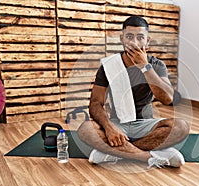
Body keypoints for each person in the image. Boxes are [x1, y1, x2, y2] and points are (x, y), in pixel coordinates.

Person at [77, 16, 189, 168]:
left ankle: (113, 151)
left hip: (145, 124)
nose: (134, 42)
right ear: (122, 39)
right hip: (117, 124)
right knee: (86, 129)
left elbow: (167, 98)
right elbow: (95, 103)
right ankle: (148, 157)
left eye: (140, 37)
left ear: (147, 41)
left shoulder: (156, 65)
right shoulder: (109, 66)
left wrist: (144, 66)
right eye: (129, 36)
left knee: (181, 127)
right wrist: (110, 128)